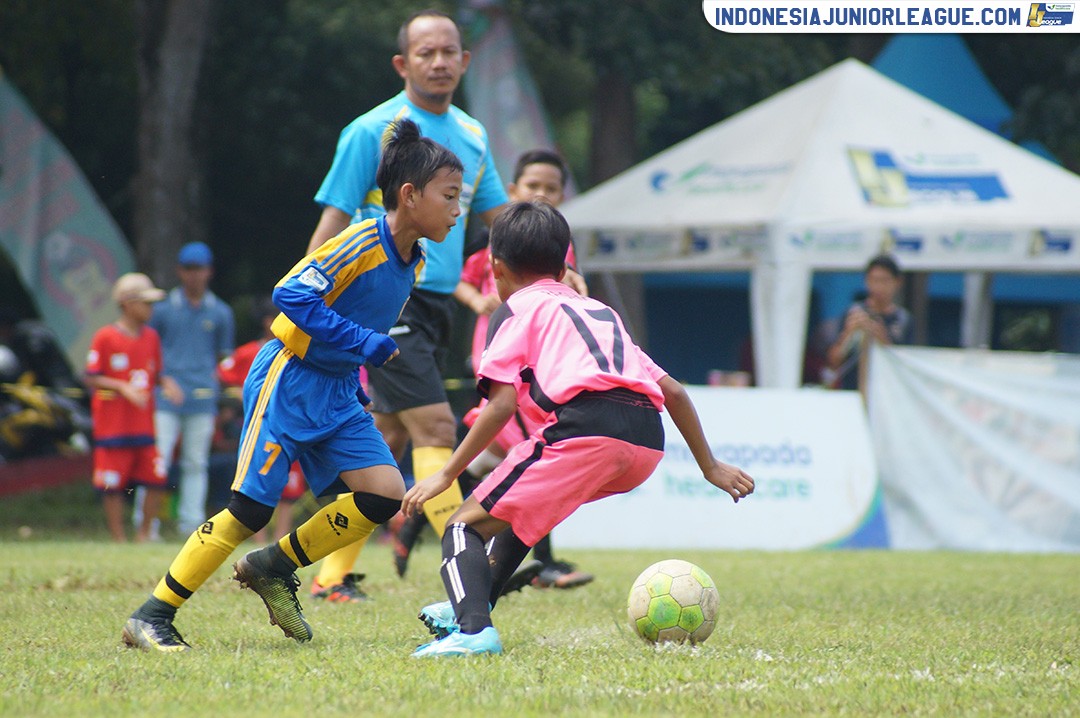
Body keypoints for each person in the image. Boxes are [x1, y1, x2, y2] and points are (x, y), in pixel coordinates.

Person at [121, 118, 464, 652]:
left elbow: (357, 328)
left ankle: (272, 566)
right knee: (250, 509)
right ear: (410, 195)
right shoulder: (362, 241)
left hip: (336, 391)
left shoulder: (412, 261)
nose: (457, 209)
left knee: (383, 494)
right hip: (289, 380)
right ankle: (151, 616)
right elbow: (291, 294)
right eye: (449, 196)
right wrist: (363, 343)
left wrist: (354, 375)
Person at [401, 201, 756, 657]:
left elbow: (500, 405)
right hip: (645, 442)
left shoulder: (514, 311)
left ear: (497, 268)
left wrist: (446, 474)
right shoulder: (599, 312)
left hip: (584, 429)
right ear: (564, 266)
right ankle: (469, 606)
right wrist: (709, 466)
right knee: (521, 517)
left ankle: (473, 632)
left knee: (462, 526)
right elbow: (674, 392)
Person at [302, 9, 510, 603]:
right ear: (403, 64)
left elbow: (498, 216)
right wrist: (305, 291)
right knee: (437, 426)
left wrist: (552, 260)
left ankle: (328, 577)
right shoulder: (371, 131)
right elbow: (335, 216)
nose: (439, 61)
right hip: (387, 298)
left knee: (388, 443)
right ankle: (471, 574)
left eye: (450, 51)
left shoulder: (472, 135)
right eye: (426, 53)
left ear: (465, 62)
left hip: (440, 304)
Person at [445, 149, 593, 592]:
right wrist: (477, 301)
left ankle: (434, 528)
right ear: (512, 191)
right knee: (536, 452)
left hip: (539, 363)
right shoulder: (496, 235)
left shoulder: (559, 240)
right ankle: (539, 563)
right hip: (502, 361)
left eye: (551, 188)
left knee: (519, 454)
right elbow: (454, 275)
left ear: (563, 195)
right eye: (533, 186)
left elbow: (568, 283)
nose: (542, 194)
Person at [143, 241, 235, 537]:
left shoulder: (220, 311)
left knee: (196, 462)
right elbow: (149, 350)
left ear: (209, 272)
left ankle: (190, 525)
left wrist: (217, 390)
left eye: (200, 269)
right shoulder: (163, 310)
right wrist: (162, 380)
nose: (194, 276)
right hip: (165, 395)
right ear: (180, 272)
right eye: (189, 269)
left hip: (203, 397)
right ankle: (146, 525)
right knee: (157, 459)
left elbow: (223, 358)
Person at [84, 273, 182, 542]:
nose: (151, 309)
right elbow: (91, 376)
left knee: (156, 479)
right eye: (145, 303)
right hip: (113, 426)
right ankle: (118, 538)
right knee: (112, 485)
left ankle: (143, 534)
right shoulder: (105, 337)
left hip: (143, 425)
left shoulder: (151, 337)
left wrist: (167, 382)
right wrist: (122, 387)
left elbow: (156, 372)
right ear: (127, 304)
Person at [215, 297, 310, 547]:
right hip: (260, 428)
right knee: (259, 487)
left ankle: (279, 540)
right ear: (270, 321)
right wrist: (238, 391)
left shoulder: (301, 351)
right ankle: (258, 540)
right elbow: (223, 374)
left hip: (292, 427)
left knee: (289, 490)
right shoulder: (249, 352)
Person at [825, 254, 913, 393]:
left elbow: (905, 365)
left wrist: (882, 338)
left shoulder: (902, 320)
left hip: (886, 393)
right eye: (874, 280)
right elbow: (833, 361)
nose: (879, 287)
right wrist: (849, 333)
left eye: (885, 281)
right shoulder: (853, 313)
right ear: (866, 281)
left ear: (897, 282)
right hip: (852, 392)